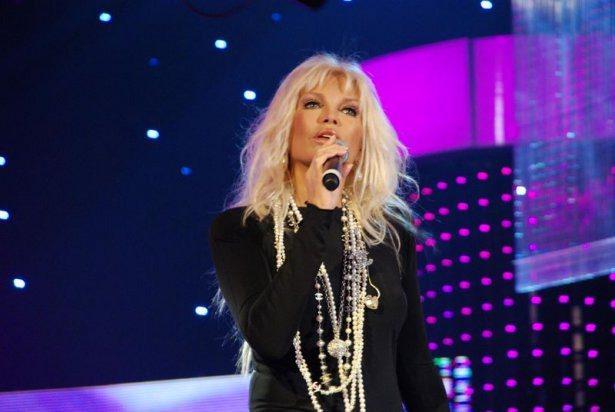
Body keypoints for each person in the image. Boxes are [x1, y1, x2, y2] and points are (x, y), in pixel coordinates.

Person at [208, 53, 449, 411]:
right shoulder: (241, 229)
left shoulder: (389, 234)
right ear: (286, 126)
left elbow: (414, 362)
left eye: (348, 110)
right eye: (312, 104)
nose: (330, 117)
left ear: (362, 140)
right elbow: (270, 339)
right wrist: (319, 210)